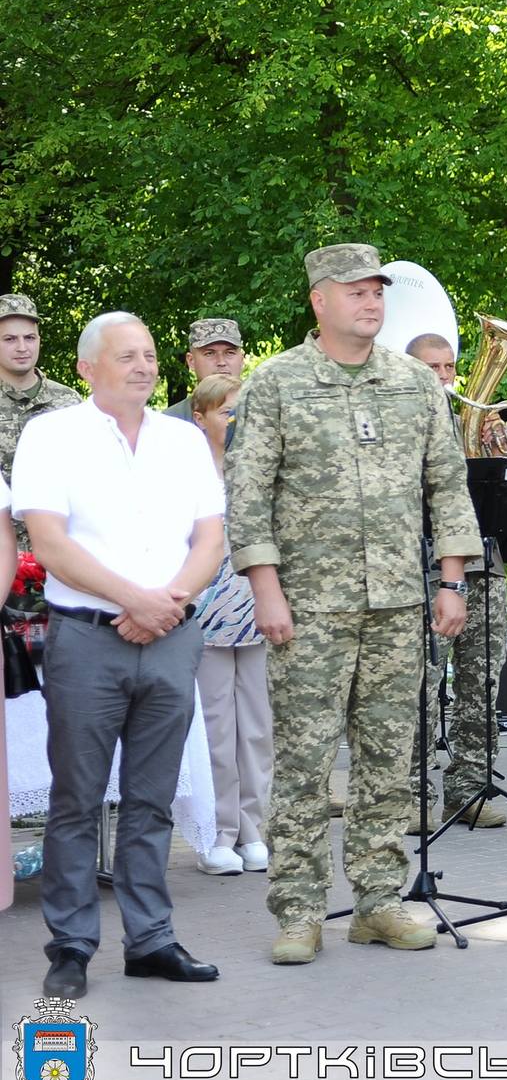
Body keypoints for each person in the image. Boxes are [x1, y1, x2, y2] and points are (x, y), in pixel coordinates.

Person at [226, 243, 483, 965]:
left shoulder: (413, 383)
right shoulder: (276, 383)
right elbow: (249, 498)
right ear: (319, 299)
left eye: (376, 292)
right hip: (307, 608)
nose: (371, 302)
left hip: (398, 606)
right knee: (304, 761)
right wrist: (266, 590)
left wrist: (451, 579)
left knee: (387, 760)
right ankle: (300, 909)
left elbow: (447, 485)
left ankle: (377, 900)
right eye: (355, 292)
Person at [18, 312, 227, 998]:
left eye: (149, 354)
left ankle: (152, 938)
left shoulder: (183, 440)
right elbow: (48, 542)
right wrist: (135, 599)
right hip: (86, 637)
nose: (143, 365)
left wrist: (168, 602)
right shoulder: (50, 435)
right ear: (86, 368)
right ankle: (72, 944)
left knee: (152, 797)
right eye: (126, 356)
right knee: (76, 797)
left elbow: (211, 539)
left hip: (172, 633)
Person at [402, 332, 507, 831]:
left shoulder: (479, 420)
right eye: (432, 368)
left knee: (481, 682)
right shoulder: (401, 422)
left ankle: (469, 789)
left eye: (449, 368)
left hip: (484, 567)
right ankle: (416, 792)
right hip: (425, 570)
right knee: (421, 685)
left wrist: (500, 456)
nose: (444, 378)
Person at [190, 374, 273, 876]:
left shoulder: (261, 469)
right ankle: (218, 833)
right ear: (201, 418)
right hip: (207, 617)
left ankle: (254, 828)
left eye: (241, 412)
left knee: (258, 728)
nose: (235, 421)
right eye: (225, 412)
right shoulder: (186, 474)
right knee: (217, 729)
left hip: (258, 610)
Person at [0, 293, 83, 546]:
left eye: (30, 338)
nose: (22, 347)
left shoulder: (68, 401)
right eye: (10, 339)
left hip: (61, 548)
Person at [164, 319, 247, 422]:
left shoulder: (266, 411)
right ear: (191, 361)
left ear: (242, 359)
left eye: (229, 353)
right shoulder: (170, 421)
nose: (221, 362)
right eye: (209, 353)